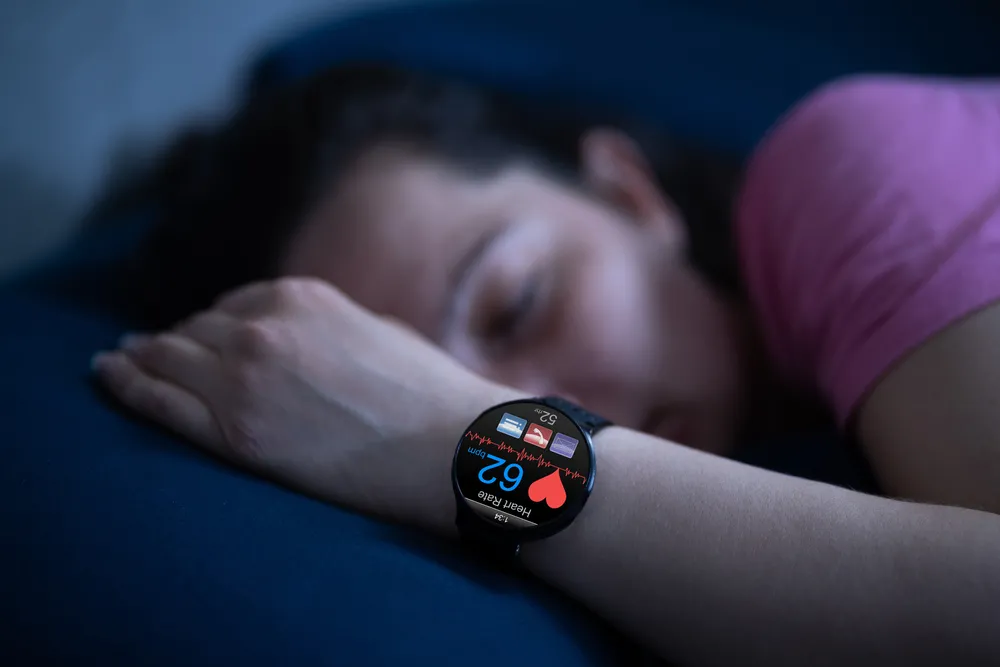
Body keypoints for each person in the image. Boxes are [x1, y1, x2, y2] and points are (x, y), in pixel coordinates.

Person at [91, 64, 1000, 665]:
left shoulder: (852, 160)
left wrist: (452, 438)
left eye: (513, 301)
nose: (543, 402)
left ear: (626, 192)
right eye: (435, 380)